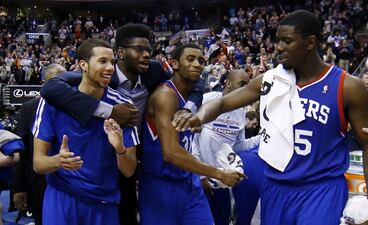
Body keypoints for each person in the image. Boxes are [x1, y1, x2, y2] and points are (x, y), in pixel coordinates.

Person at [173, 10, 368, 225]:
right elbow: (223, 102)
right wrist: (198, 117)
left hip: (320, 189)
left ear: (310, 42)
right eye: (277, 41)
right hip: (275, 186)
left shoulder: (348, 86)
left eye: (287, 41)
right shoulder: (271, 79)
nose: (278, 47)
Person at [39, 23, 204, 225]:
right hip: (96, 160)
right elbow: (50, 89)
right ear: (121, 53)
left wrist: (189, 108)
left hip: (133, 151)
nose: (146, 55)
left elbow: (193, 81)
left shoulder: (153, 70)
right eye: (139, 49)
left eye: (149, 50)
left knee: (129, 211)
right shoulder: (100, 75)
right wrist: (110, 111)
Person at [33, 39, 139, 225]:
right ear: (83, 64)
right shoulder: (52, 101)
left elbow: (129, 170)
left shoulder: (124, 106)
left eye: (112, 62)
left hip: (103, 201)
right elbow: (38, 163)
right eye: (102, 61)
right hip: (62, 196)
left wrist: (120, 149)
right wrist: (57, 161)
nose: (110, 68)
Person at [139, 43, 244, 225]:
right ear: (175, 64)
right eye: (190, 59)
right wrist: (218, 173)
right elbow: (171, 153)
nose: (197, 64)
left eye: (201, 60)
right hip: (161, 184)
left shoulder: (191, 98)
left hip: (188, 180)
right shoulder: (166, 95)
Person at [193, 69, 259, 225]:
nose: (246, 89)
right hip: (199, 176)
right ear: (227, 83)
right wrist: (200, 176)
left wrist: (261, 138)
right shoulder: (207, 99)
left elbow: (238, 146)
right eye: (242, 84)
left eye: (248, 85)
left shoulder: (240, 113)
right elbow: (192, 138)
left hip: (222, 180)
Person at [12, 63, 66, 225]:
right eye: (55, 82)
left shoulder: (77, 107)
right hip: (38, 184)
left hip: (72, 183)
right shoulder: (29, 108)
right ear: (44, 84)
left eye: (65, 82)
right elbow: (20, 150)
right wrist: (18, 187)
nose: (61, 87)